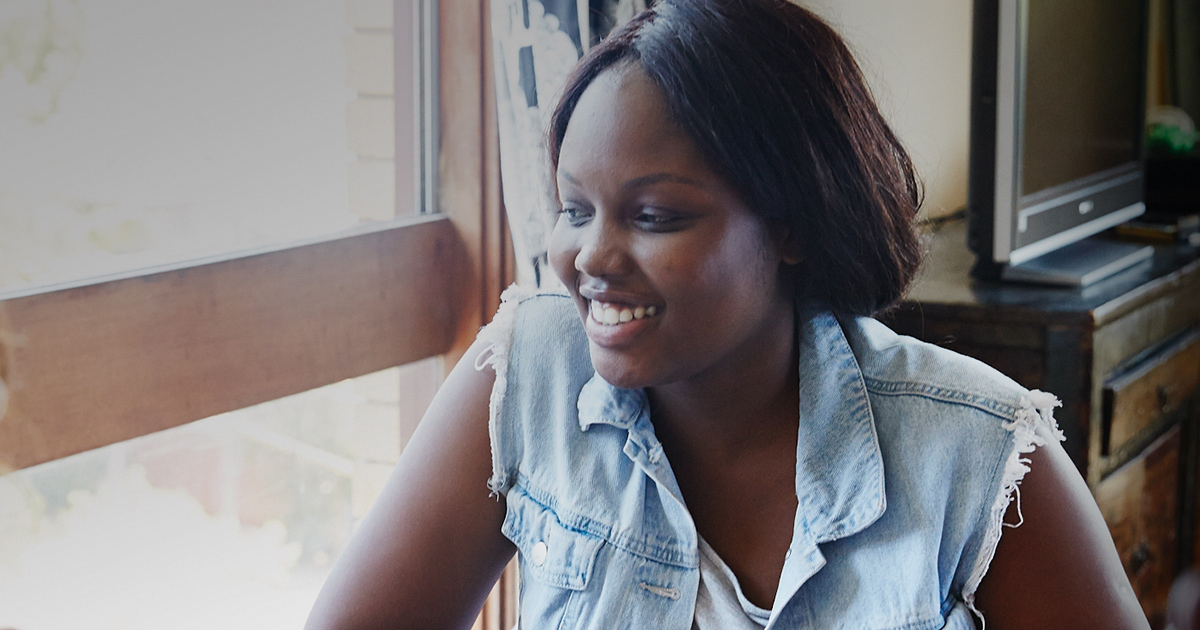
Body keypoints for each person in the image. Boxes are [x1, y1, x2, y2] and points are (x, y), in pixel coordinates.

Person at [305, 1, 1148, 628]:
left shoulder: (981, 454)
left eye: (655, 215)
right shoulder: (526, 374)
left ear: (788, 224)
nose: (590, 259)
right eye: (573, 209)